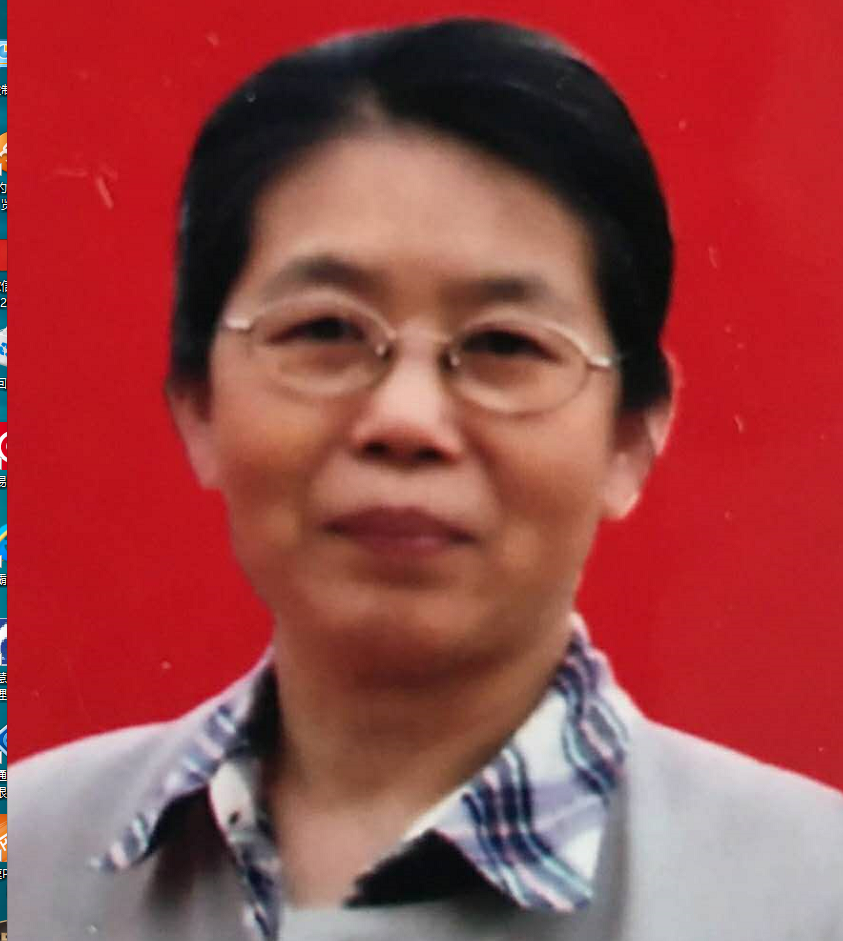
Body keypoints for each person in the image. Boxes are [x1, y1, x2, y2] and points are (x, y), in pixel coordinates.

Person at [12, 17, 843, 941]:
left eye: (504, 345)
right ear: (200, 405)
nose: (405, 420)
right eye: (325, 330)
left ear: (631, 436)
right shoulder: (31, 854)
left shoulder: (812, 894)